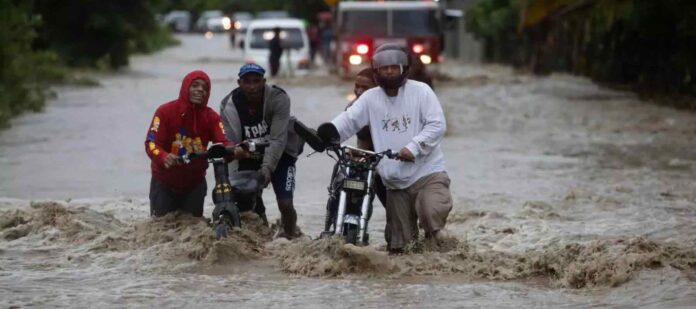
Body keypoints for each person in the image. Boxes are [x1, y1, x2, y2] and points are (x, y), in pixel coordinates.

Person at [329, 44, 453, 254]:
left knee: (431, 214)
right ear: (376, 70)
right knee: (400, 249)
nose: (389, 71)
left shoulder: (421, 91)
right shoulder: (370, 98)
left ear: (404, 68)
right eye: (384, 68)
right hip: (394, 183)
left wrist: (413, 147)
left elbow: (437, 125)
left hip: (427, 173)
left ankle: (448, 254)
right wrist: (327, 134)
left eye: (394, 67)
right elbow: (348, 121)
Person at [219, 63, 304, 238]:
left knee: (285, 203)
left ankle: (291, 239)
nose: (252, 87)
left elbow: (278, 139)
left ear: (264, 82)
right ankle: (262, 238)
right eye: (247, 82)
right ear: (239, 83)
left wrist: (267, 169)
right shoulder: (228, 105)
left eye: (256, 81)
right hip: (248, 156)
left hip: (282, 154)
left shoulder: (278, 99)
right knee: (246, 201)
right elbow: (230, 143)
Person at [145, 70, 234, 218]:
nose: (200, 90)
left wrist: (235, 151)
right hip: (163, 183)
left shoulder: (212, 118)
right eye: (195, 85)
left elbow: (224, 142)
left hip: (195, 185)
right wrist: (163, 156)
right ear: (185, 88)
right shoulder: (164, 112)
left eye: (205, 88)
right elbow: (151, 143)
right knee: (161, 230)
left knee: (192, 230)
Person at [346, 68, 387, 208]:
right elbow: (341, 130)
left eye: (365, 88)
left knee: (392, 206)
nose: (358, 91)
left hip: (387, 159)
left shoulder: (388, 108)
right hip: (365, 158)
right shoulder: (352, 107)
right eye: (357, 86)